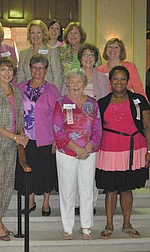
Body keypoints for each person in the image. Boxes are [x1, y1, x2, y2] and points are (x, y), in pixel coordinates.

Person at [96, 66, 150, 239]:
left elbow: (148, 126)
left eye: (122, 79)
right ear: (110, 81)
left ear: (127, 81)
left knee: (127, 188)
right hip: (109, 150)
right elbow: (96, 129)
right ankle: (109, 224)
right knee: (111, 189)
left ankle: (127, 223)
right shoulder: (103, 102)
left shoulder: (139, 100)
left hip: (133, 149)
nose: (119, 82)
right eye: (115, 79)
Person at [53, 68, 102, 240]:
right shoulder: (60, 102)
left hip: (89, 152)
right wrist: (77, 149)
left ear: (84, 84)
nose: (75, 85)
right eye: (72, 82)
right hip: (67, 152)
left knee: (87, 189)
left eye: (79, 81)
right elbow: (58, 130)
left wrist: (88, 148)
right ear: (67, 84)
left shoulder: (93, 103)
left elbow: (97, 129)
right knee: (67, 190)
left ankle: (86, 226)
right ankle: (68, 227)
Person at [0, 57, 28, 241]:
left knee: (8, 184)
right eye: (3, 70)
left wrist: (21, 135)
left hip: (12, 146)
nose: (7, 73)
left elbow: (20, 119)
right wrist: (14, 136)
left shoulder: (17, 93)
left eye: (10, 70)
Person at [15, 54, 60, 216]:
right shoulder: (20, 88)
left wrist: (57, 138)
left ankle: (46, 203)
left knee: (46, 171)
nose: (38, 70)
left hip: (46, 138)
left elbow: (58, 115)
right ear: (30, 69)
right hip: (25, 137)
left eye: (41, 67)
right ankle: (31, 201)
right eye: (35, 67)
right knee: (29, 170)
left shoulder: (52, 89)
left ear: (46, 70)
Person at [70, 43, 110, 216]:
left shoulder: (103, 78)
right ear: (80, 59)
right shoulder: (72, 76)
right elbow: (65, 101)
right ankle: (77, 203)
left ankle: (91, 204)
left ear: (96, 59)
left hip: (95, 130)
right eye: (84, 55)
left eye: (91, 55)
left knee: (91, 168)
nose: (88, 58)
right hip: (74, 131)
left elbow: (107, 103)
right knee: (76, 169)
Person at [16, 19, 62, 91]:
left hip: (47, 93)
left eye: (38, 32)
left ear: (43, 34)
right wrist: (20, 93)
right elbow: (20, 76)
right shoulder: (23, 53)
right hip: (27, 95)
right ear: (29, 35)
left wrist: (55, 95)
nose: (35, 36)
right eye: (33, 33)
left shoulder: (52, 52)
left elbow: (57, 77)